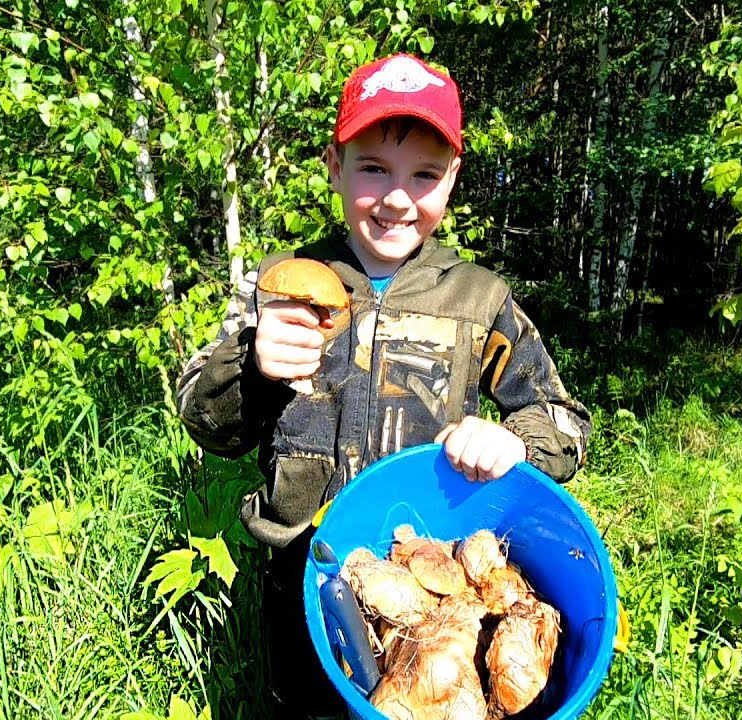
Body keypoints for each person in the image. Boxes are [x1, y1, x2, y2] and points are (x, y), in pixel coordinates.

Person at [176, 53, 593, 719]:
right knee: (307, 705)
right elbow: (204, 418)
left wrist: (514, 441)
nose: (398, 197)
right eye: (374, 168)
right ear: (335, 167)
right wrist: (252, 364)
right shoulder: (283, 283)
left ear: (452, 180)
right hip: (305, 570)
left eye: (424, 175)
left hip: (429, 573)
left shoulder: (478, 299)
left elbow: (564, 419)